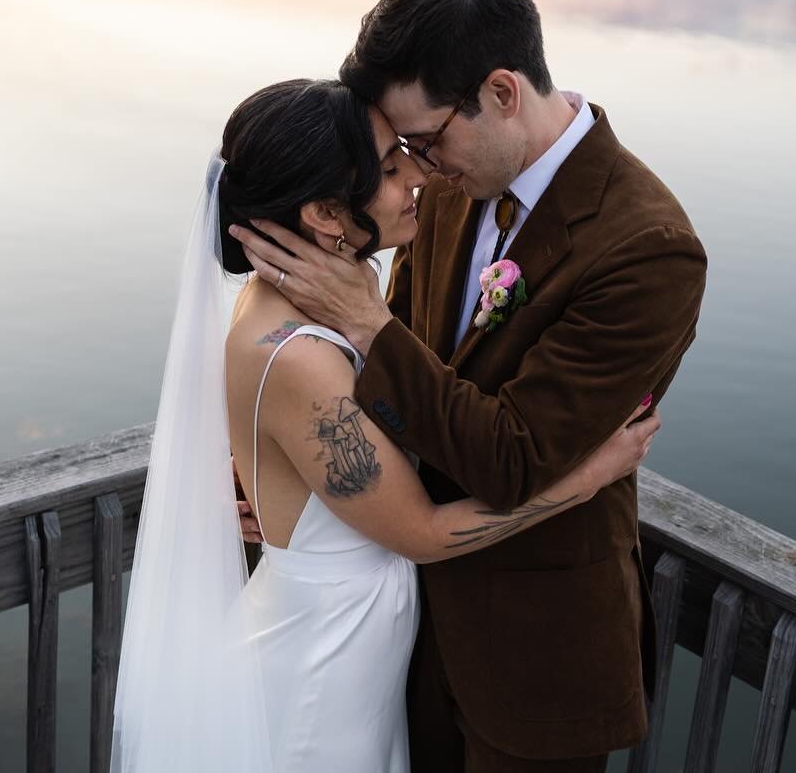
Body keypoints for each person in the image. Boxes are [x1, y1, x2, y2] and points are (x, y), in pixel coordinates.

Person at [232, 0, 707, 772]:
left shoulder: (647, 250)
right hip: (399, 634)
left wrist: (367, 321)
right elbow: (384, 394)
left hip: (536, 654)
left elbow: (512, 457)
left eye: (423, 140)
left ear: (502, 93)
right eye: (401, 151)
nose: (415, 169)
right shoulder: (450, 183)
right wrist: (292, 482)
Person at [110, 77, 662, 773]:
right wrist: (586, 479)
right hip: (321, 668)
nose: (419, 179)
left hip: (354, 650)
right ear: (325, 214)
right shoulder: (301, 357)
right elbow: (425, 536)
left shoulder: (301, 302)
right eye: (391, 167)